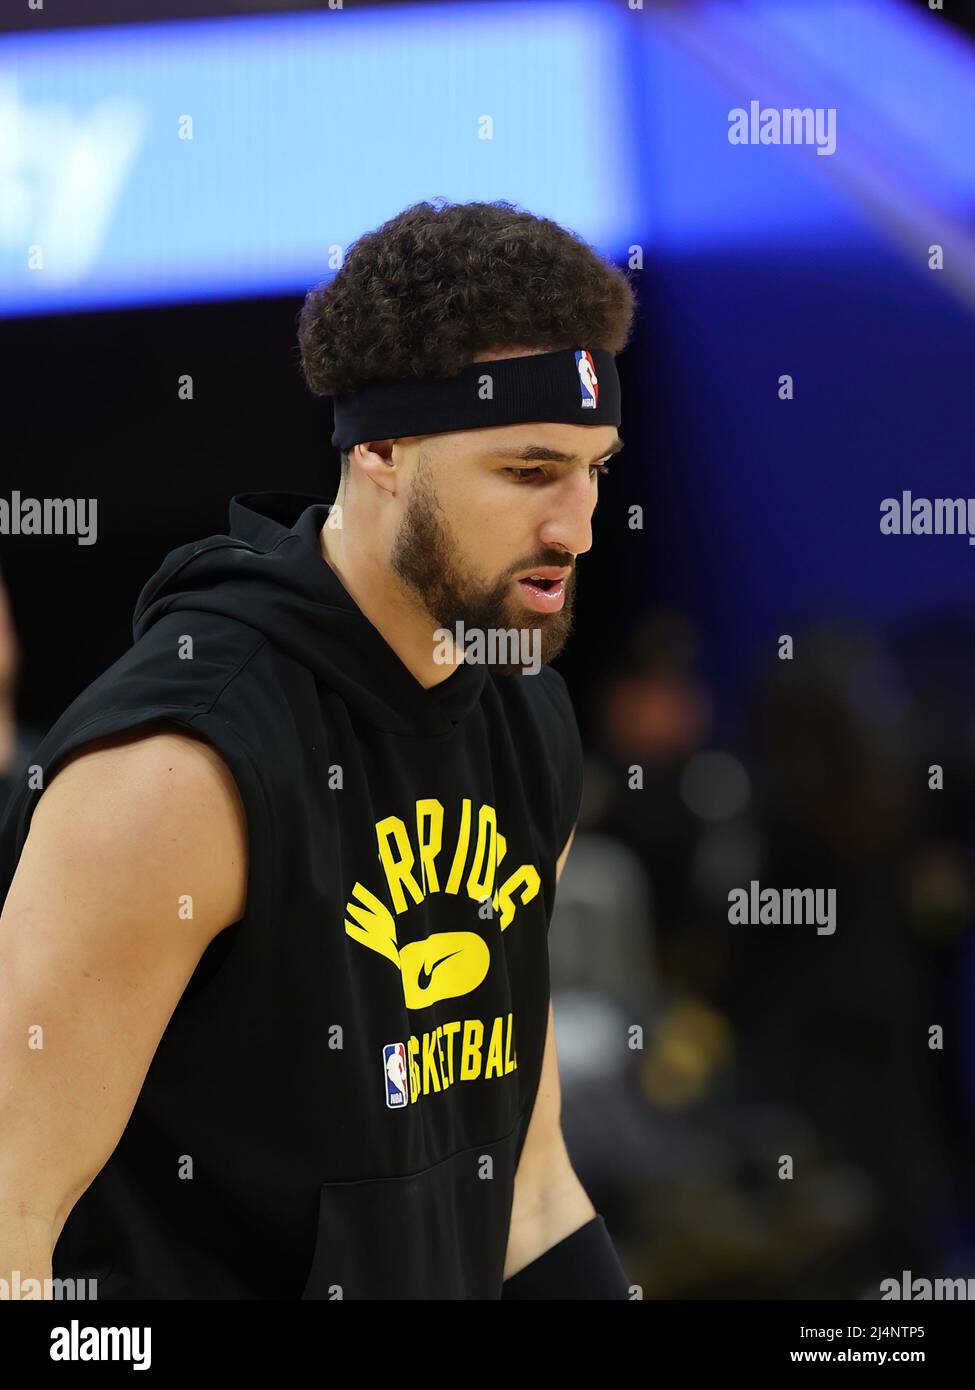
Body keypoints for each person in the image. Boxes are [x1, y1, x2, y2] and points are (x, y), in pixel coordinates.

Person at [0, 199, 635, 1299]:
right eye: (530, 472)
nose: (576, 528)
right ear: (381, 449)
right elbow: (12, 1215)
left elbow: (527, 1191)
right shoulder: (179, 766)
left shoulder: (525, 717)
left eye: (596, 471)